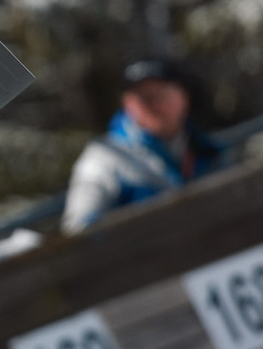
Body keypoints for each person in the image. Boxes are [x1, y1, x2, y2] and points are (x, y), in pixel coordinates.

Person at [62, 59, 223, 233]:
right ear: (126, 104)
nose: (153, 105)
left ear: (183, 96)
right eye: (143, 98)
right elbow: (79, 229)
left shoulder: (208, 148)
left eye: (161, 94)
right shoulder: (103, 159)